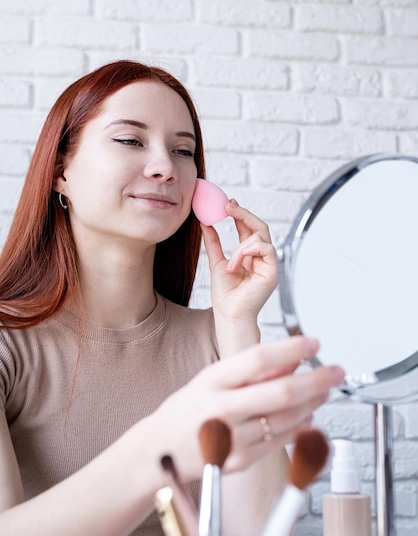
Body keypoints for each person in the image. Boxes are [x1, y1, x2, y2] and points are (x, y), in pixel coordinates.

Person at [0, 60, 344, 536]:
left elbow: (261, 530)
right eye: (129, 140)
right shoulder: (9, 346)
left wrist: (237, 329)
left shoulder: (216, 339)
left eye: (184, 150)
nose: (166, 168)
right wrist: (156, 447)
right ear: (60, 170)